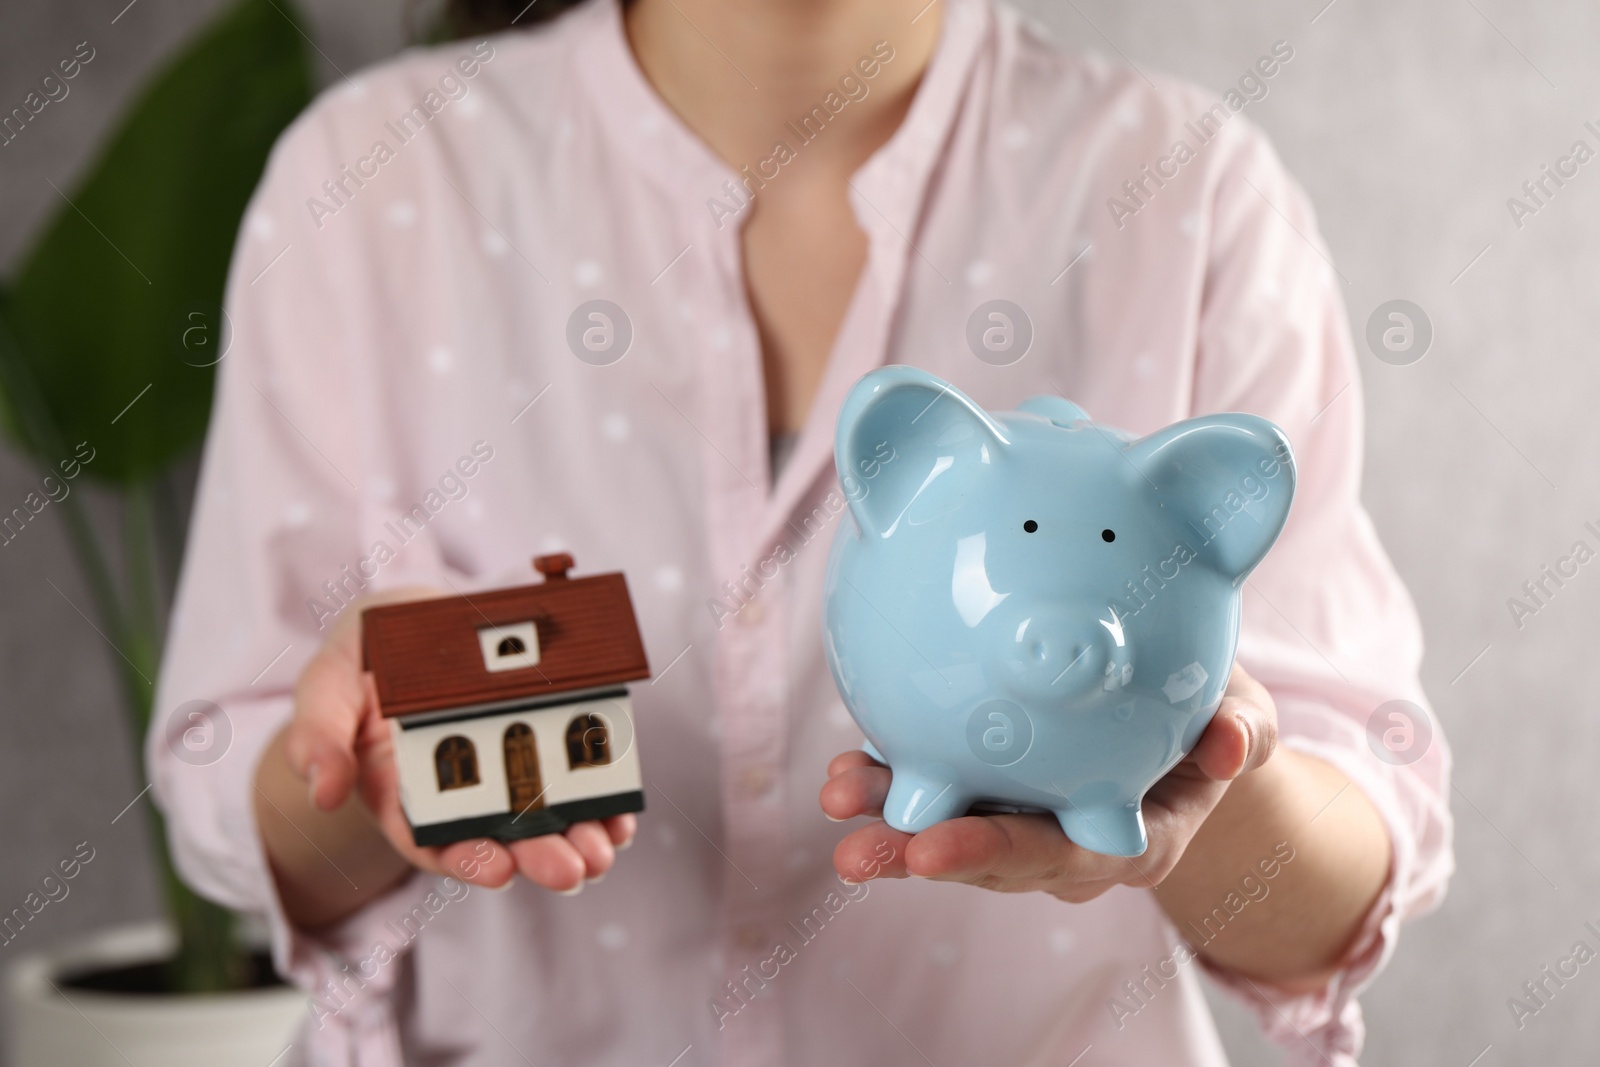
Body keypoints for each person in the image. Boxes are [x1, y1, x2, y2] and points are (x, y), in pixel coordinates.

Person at [147, 0, 1452, 1063]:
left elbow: (1337, 899)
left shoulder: (1188, 190)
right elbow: (235, 802)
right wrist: (366, 765)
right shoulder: (373, 179)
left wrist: (1203, 779)